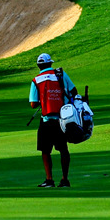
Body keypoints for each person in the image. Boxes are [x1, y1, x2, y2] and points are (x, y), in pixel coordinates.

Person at [29, 52, 78, 188]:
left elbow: (33, 103)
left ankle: (49, 179)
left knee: (45, 151)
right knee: (63, 149)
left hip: (46, 120)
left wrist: (44, 100)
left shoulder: (36, 80)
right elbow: (73, 91)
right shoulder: (60, 74)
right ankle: (64, 179)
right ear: (50, 63)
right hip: (62, 120)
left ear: (39, 66)